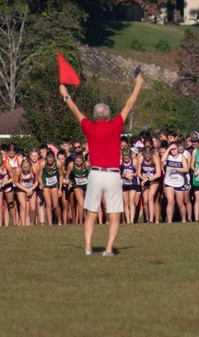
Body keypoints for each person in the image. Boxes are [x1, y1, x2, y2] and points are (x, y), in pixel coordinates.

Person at [58, 67, 145, 256]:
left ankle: (88, 247)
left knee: (91, 213)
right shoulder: (115, 125)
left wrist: (65, 95)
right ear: (108, 115)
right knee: (114, 215)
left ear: (96, 115)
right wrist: (138, 84)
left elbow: (75, 110)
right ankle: (107, 249)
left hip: (96, 174)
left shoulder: (89, 127)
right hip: (113, 175)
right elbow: (129, 105)